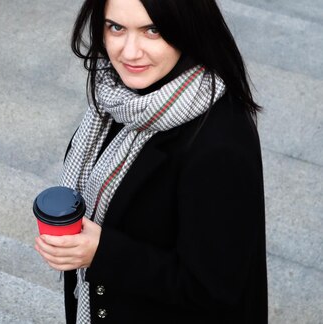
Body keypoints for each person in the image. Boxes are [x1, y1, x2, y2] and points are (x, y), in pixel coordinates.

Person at [33, 0, 267, 322]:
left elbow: (216, 288)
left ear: (188, 28)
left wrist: (103, 252)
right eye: (116, 27)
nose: (129, 52)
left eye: (152, 30)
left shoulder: (219, 144)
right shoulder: (117, 98)